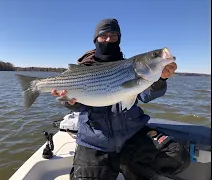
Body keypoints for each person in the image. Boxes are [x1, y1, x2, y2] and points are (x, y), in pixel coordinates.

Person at [51, 18, 190, 180]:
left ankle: (129, 164)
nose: (109, 39)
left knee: (178, 156)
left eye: (113, 35)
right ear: (96, 39)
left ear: (119, 39)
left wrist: (160, 79)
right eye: (104, 36)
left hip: (132, 135)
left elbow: (145, 95)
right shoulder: (83, 70)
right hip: (95, 142)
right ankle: (128, 166)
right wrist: (70, 102)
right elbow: (79, 106)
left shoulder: (130, 66)